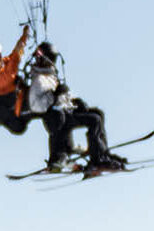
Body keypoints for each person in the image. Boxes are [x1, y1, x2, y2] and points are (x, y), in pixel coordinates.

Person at [28, 40, 124, 174]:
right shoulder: (39, 79)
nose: (51, 62)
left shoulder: (51, 76)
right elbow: (36, 106)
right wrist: (54, 96)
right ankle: (97, 160)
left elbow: (63, 97)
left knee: (98, 114)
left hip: (66, 112)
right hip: (58, 118)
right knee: (94, 120)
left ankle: (103, 152)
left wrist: (76, 102)